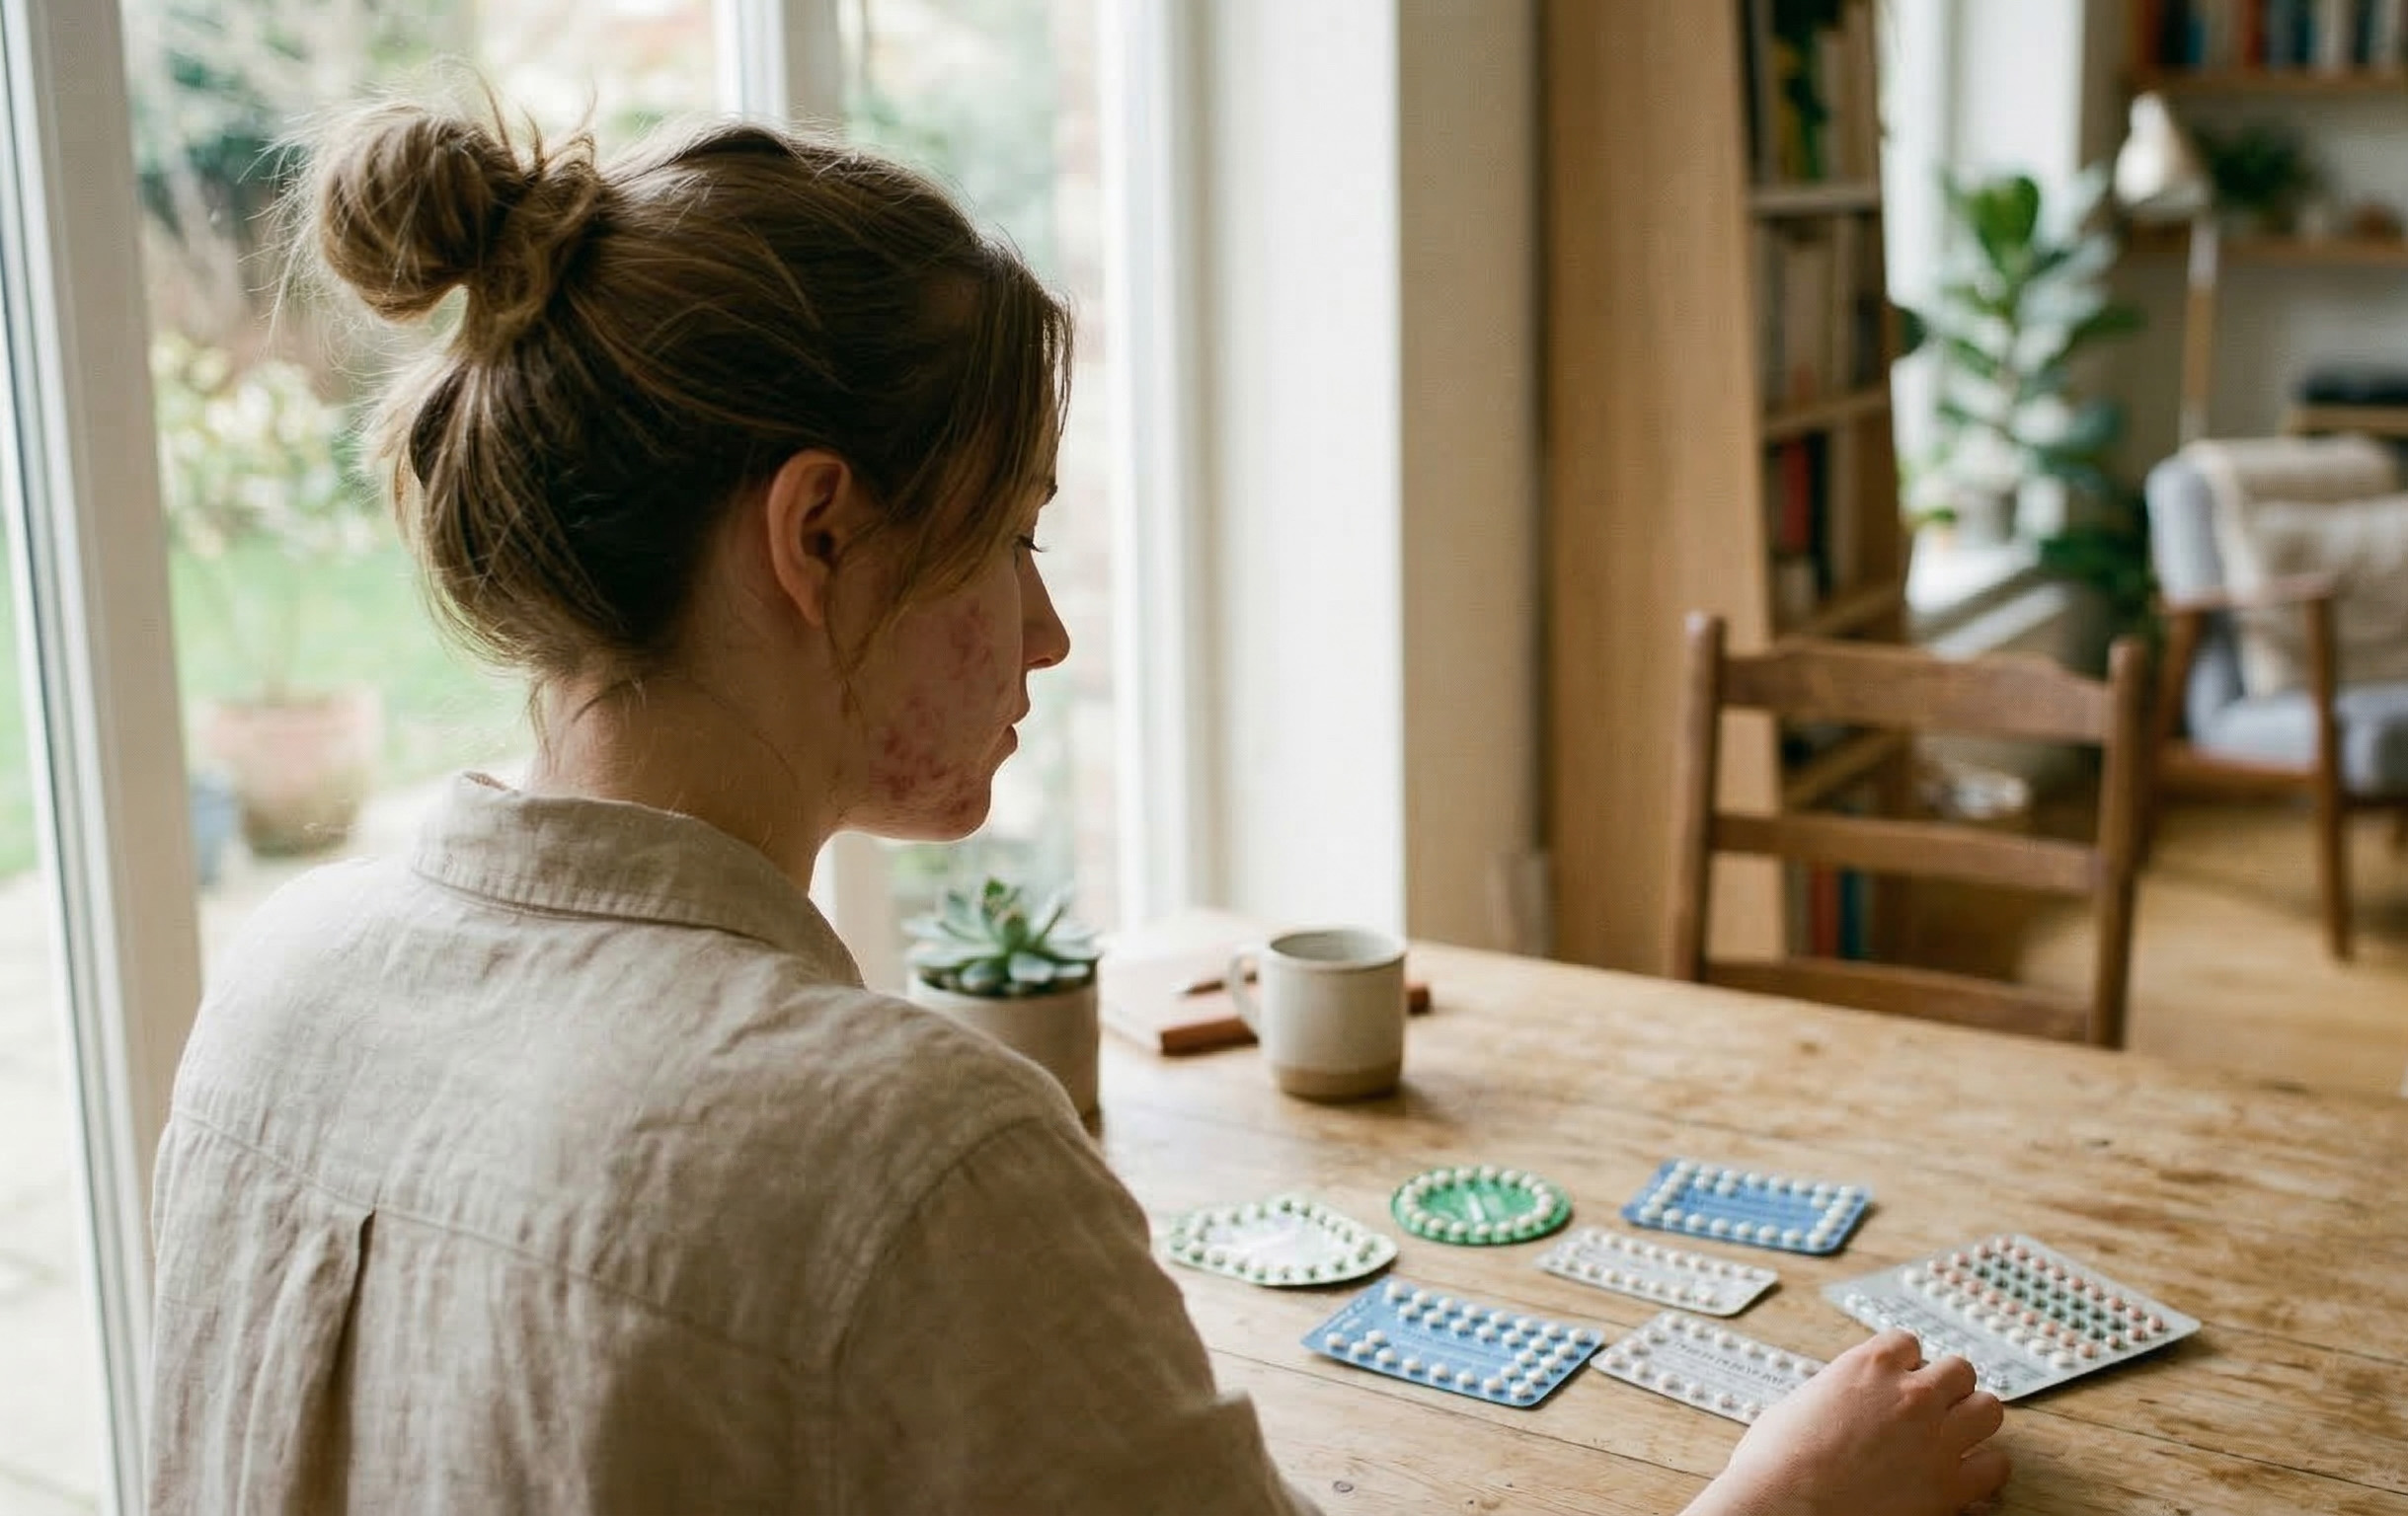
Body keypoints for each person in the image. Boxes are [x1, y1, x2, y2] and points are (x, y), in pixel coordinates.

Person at [147, 100, 2011, 1516]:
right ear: (818, 534)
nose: (1044, 630)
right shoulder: (906, 1156)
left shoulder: (277, 990)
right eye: (1013, 532)